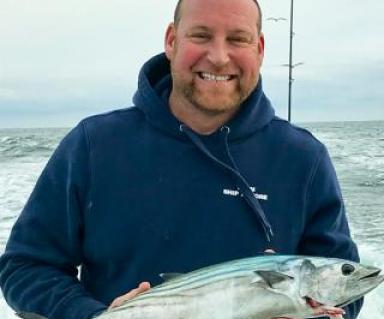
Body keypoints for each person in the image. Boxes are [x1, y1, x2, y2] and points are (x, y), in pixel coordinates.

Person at [0, 0, 362, 318]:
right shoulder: (94, 144)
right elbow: (26, 266)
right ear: (171, 41)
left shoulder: (303, 158)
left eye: (237, 39)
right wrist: (89, 315)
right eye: (201, 35)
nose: (219, 56)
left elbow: (344, 294)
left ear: (260, 48)